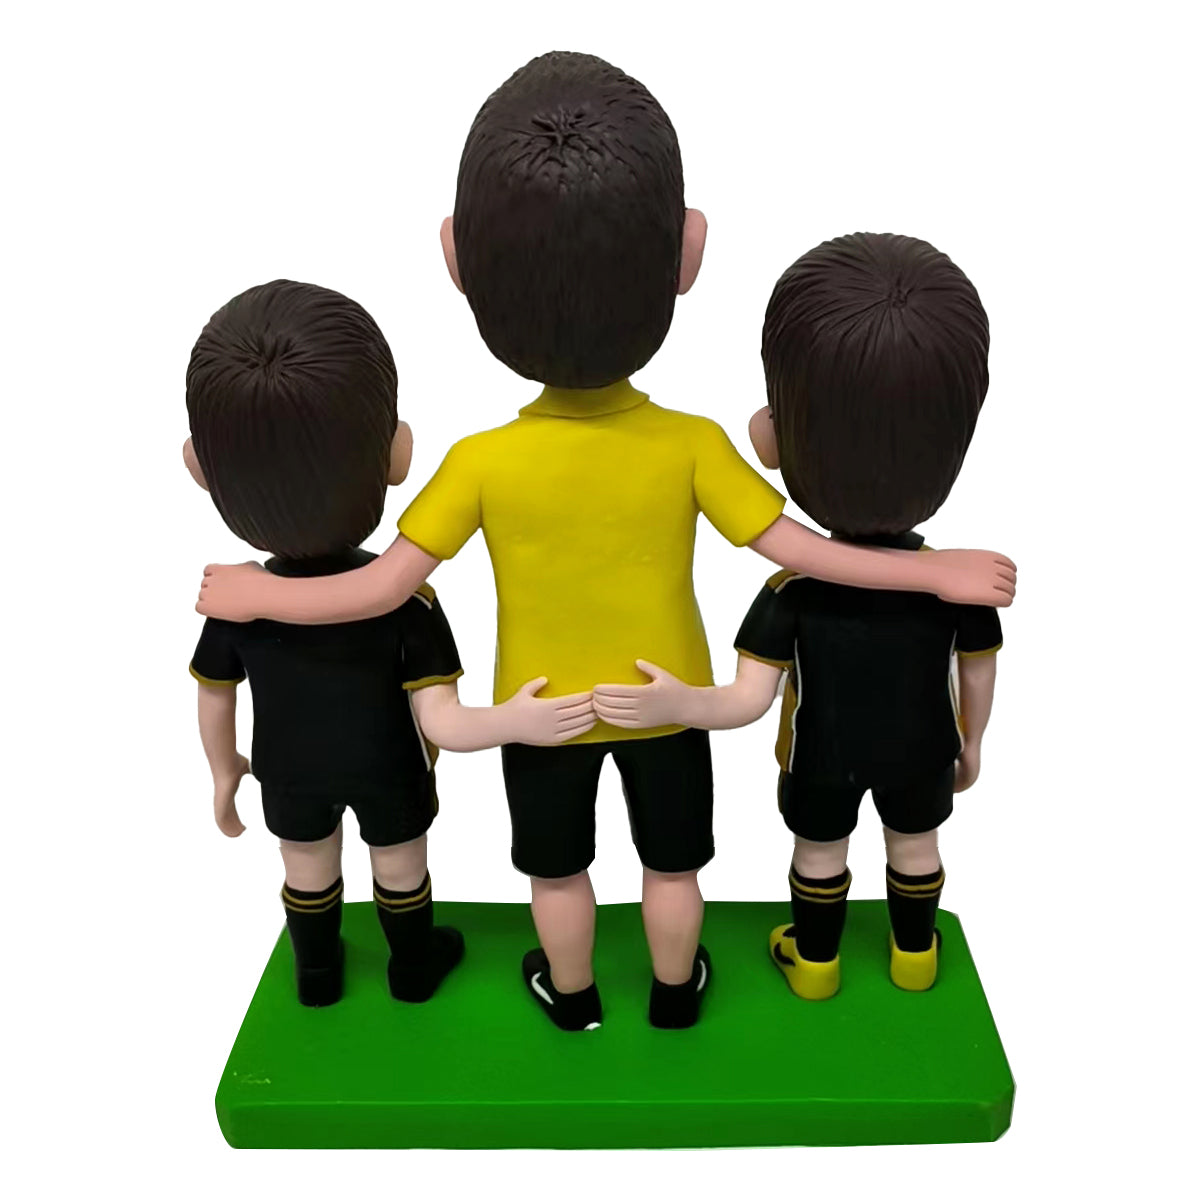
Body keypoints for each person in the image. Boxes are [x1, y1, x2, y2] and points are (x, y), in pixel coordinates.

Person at [195, 55, 1015, 1031]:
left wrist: (257, 595)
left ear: (457, 261)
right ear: (688, 253)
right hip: (668, 704)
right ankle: (675, 994)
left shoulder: (480, 462)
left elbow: (374, 591)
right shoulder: (693, 445)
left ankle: (573, 996)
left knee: (558, 873)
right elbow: (802, 551)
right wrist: (933, 571)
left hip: (541, 711)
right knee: (674, 867)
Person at [594, 232, 1002, 998]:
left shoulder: (794, 592)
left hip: (820, 760)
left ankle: (816, 964)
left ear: (774, 438)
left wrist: (678, 704)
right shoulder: (958, 587)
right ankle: (915, 957)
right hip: (923, 753)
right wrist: (972, 742)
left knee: (820, 855)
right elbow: (977, 671)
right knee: (916, 844)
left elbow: (748, 700)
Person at [186, 279, 591, 1007]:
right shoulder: (406, 602)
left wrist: (223, 768)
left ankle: (317, 975)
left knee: (305, 866)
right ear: (397, 453)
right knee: (400, 867)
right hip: (389, 771)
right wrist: (514, 721)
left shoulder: (234, 604)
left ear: (200, 469)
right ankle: (413, 967)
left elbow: (215, 695)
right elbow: (442, 721)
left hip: (287, 772)